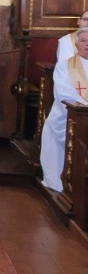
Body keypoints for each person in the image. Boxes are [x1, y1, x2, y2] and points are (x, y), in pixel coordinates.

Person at [40, 12, 88, 191]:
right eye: (83, 41)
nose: (87, 44)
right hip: (68, 115)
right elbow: (64, 93)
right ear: (76, 45)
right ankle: (63, 183)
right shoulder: (65, 66)